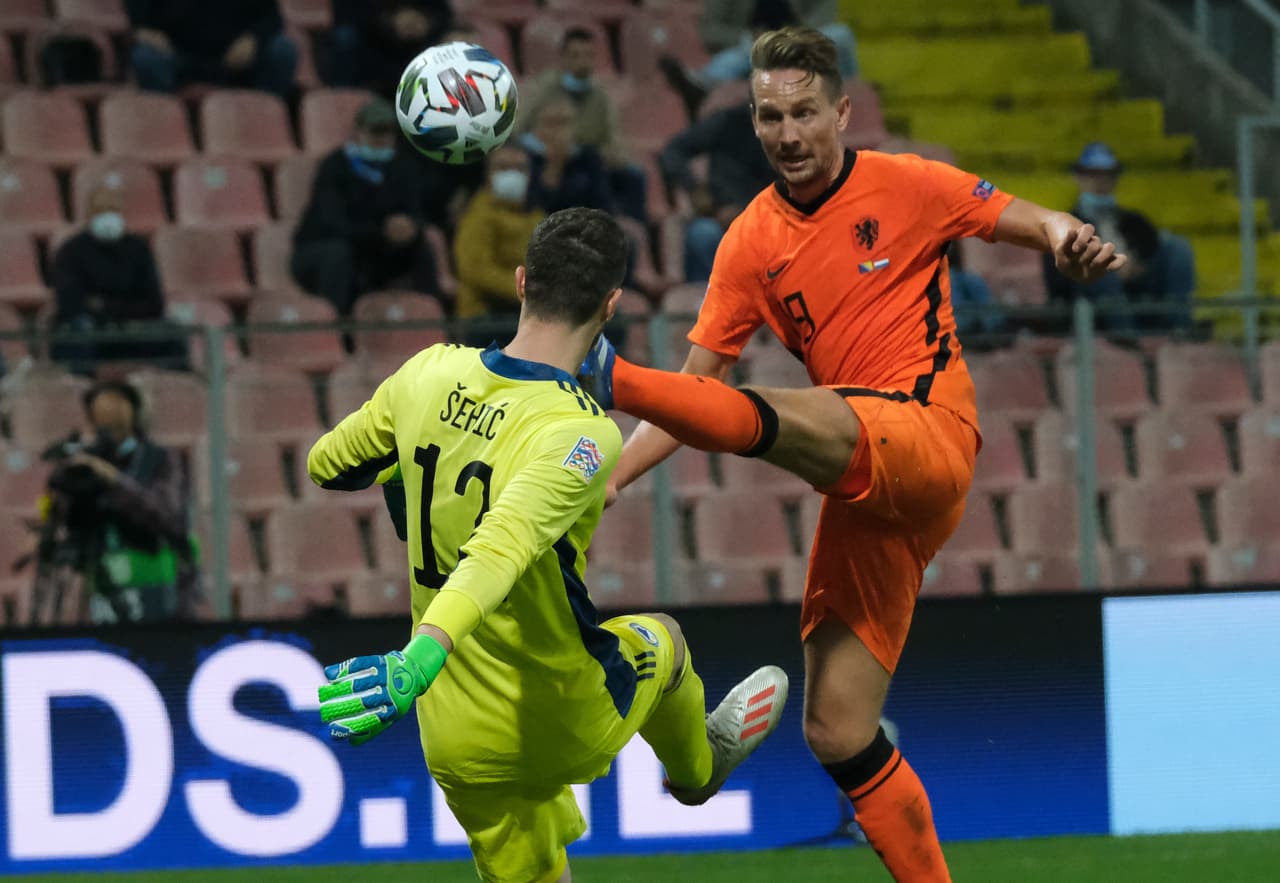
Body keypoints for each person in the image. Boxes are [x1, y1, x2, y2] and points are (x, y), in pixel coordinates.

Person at [576, 28, 1126, 883]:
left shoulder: (907, 184)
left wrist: (1065, 235)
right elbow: (698, 394)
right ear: (753, 123)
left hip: (927, 432)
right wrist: (611, 476)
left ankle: (608, 369)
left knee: (799, 412)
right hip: (866, 486)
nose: (787, 132)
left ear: (841, 112)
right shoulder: (750, 241)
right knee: (836, 726)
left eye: (803, 113)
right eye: (769, 116)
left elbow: (1023, 215)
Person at [308, 207, 789, 883]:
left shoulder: (427, 372)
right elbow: (499, 548)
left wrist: (419, 462)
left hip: (455, 734)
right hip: (559, 713)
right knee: (666, 640)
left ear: (520, 280)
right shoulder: (582, 432)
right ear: (612, 304)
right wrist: (415, 660)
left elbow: (327, 464)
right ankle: (699, 773)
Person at [33, 380, 197, 625]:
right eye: (101, 415)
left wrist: (112, 479)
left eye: (115, 412)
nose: (107, 422)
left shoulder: (160, 459)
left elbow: (168, 517)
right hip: (102, 584)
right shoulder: (87, 462)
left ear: (133, 413)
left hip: (158, 585)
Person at [291, 97, 441, 317]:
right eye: (375, 131)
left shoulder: (402, 168)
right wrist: (381, 231)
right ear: (358, 132)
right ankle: (339, 333)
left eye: (387, 132)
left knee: (421, 248)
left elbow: (415, 210)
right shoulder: (335, 167)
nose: (381, 139)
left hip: (375, 249)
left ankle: (433, 323)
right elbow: (333, 223)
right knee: (338, 256)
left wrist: (411, 227)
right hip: (322, 249)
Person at [1043, 141, 1195, 333]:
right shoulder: (1065, 225)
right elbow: (1058, 278)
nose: (1100, 182)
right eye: (1093, 175)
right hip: (1092, 301)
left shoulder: (1135, 221)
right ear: (1079, 178)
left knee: (1178, 248)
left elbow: (1152, 252)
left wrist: (1136, 265)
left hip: (1138, 289)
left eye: (1107, 176)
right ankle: (1126, 336)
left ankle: (1179, 327)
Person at [51, 183, 184, 374]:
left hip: (132, 330)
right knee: (74, 340)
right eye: (101, 211)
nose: (108, 217)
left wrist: (105, 307)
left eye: (113, 210)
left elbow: (154, 303)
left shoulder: (138, 249)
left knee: (172, 336)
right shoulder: (71, 251)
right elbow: (70, 303)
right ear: (89, 215)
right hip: (92, 333)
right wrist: (110, 311)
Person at [518, 26, 647, 221]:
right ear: (562, 58)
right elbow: (518, 132)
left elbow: (612, 140)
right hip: (545, 158)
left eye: (589, 55)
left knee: (634, 176)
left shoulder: (599, 97)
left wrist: (612, 153)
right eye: (575, 55)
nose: (583, 62)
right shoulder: (543, 90)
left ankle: (630, 232)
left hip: (588, 161)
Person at [661, 0, 858, 119]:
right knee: (741, 53)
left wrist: (795, 34)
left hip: (799, 39)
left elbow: (825, 13)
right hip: (752, 45)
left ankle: (852, 98)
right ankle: (701, 85)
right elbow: (710, 32)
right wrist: (745, 36)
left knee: (842, 35)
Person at [658, 103, 777, 281]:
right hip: (716, 213)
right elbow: (673, 152)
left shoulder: (790, 133)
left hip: (766, 221)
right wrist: (695, 189)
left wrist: (744, 210)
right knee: (703, 234)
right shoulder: (730, 120)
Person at [453, 147, 545, 346]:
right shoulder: (478, 215)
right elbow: (476, 270)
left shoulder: (536, 216)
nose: (512, 174)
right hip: (486, 315)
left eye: (520, 168)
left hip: (525, 309)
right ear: (488, 175)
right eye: (503, 167)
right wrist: (527, 290)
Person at [127, 0, 297, 98]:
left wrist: (254, 38)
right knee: (146, 58)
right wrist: (142, 30)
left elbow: (273, 19)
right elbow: (138, 16)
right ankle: (165, 123)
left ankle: (262, 119)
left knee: (283, 51)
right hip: (178, 57)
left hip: (235, 61)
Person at [329, 0, 454, 98]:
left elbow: (443, 14)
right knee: (346, 37)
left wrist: (426, 22)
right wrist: (390, 23)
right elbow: (347, 16)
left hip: (420, 47)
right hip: (374, 53)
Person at [523, 98, 614, 216]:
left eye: (565, 123)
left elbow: (603, 205)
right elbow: (536, 207)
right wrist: (554, 165)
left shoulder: (588, 158)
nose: (559, 131)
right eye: (551, 124)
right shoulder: (523, 157)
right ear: (536, 128)